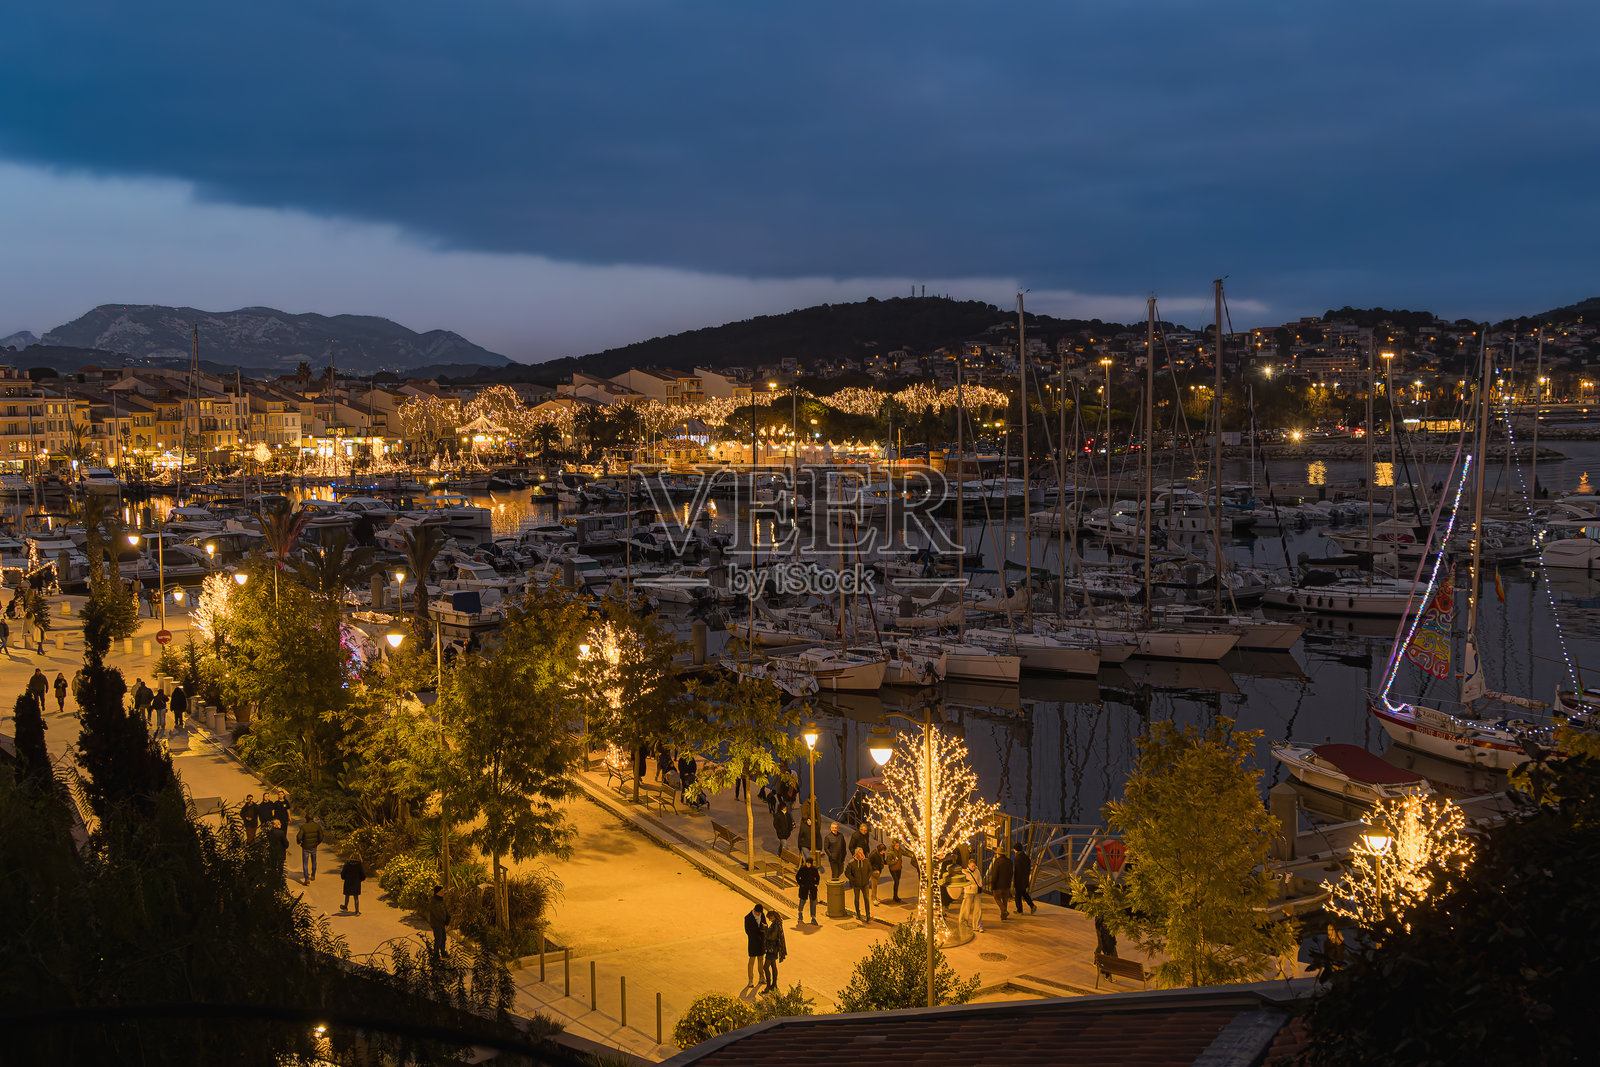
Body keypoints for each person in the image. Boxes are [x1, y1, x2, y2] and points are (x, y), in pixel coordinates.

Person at [760, 910, 787, 993]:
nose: (769, 919)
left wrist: (765, 928)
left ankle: (768, 987)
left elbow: (770, 936)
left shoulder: (775, 925)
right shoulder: (777, 923)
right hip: (774, 948)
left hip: (772, 949)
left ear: (774, 916)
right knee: (773, 966)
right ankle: (774, 985)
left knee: (765, 967)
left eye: (770, 917)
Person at [985, 847, 1014, 921]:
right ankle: (1003, 916)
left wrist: (993, 886)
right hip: (1007, 885)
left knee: (997, 898)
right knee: (1005, 900)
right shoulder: (1009, 861)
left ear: (998, 854)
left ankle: (1004, 910)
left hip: (998, 885)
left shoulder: (997, 862)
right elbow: (1011, 873)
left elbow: (994, 875)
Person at [743, 903, 767, 989]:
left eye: (760, 913)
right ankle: (750, 980)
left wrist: (764, 928)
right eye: (758, 913)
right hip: (753, 942)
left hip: (761, 942)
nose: (759, 914)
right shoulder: (748, 918)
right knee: (752, 960)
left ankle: (761, 977)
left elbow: (765, 925)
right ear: (755, 911)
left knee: (761, 960)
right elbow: (748, 931)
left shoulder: (762, 915)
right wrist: (760, 930)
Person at [845, 847, 872, 922]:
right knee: (857, 899)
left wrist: (867, 878)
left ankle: (868, 915)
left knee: (866, 899)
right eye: (860, 853)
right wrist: (853, 880)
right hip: (856, 884)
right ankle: (858, 914)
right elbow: (847, 873)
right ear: (856, 854)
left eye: (862, 852)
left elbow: (870, 870)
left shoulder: (866, 861)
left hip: (865, 884)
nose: (861, 854)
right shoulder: (852, 863)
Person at [958, 857, 984, 934]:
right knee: (966, 908)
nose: (973, 867)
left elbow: (980, 880)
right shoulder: (965, 872)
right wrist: (968, 887)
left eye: (974, 866)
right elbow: (963, 882)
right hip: (968, 892)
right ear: (968, 865)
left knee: (978, 909)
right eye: (972, 866)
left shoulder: (977, 871)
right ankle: (963, 922)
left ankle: (977, 925)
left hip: (976, 892)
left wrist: (980, 885)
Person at [296, 815, 324, 884]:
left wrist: (299, 842)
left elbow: (299, 837)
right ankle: (313, 875)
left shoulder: (304, 827)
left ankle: (306, 878)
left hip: (305, 847)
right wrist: (317, 843)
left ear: (306, 819)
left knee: (305, 863)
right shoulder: (317, 826)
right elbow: (321, 836)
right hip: (314, 846)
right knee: (314, 861)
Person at [1012, 843, 1037, 915]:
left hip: (1019, 880)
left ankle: (1020, 910)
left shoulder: (1017, 858)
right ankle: (1032, 906)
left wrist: (1015, 881)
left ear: (1016, 849)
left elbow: (1017, 871)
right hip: (1025, 879)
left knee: (1017, 896)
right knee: (1024, 894)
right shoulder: (1026, 857)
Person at [796, 855, 820, 925]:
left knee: (813, 903)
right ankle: (800, 912)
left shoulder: (814, 869)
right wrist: (800, 884)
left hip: (812, 888)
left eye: (809, 863)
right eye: (807, 863)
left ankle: (813, 917)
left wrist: (816, 883)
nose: (808, 864)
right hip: (804, 888)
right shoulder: (802, 869)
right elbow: (797, 876)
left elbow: (817, 877)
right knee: (802, 901)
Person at [427, 886, 451, 957]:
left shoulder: (441, 900)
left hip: (442, 923)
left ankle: (443, 952)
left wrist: (448, 917)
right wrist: (444, 920)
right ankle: (436, 954)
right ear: (437, 892)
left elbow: (445, 910)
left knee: (443, 938)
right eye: (441, 891)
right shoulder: (433, 902)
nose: (442, 893)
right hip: (436, 923)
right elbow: (437, 913)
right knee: (438, 939)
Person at [887, 839, 905, 904]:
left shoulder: (900, 850)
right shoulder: (890, 852)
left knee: (897, 882)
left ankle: (896, 896)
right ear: (893, 846)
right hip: (893, 869)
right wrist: (894, 861)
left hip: (899, 868)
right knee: (896, 881)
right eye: (896, 845)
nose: (898, 847)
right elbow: (888, 862)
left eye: (898, 845)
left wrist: (912, 854)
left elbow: (905, 853)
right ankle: (895, 896)